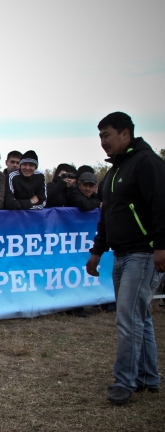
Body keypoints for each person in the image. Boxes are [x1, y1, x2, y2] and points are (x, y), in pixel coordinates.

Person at [86, 111, 165, 405]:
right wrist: (97, 251)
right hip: (121, 255)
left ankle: (124, 383)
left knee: (128, 319)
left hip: (143, 254)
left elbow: (161, 205)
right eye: (100, 137)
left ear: (125, 133)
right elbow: (107, 214)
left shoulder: (147, 163)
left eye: (106, 135)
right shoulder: (114, 171)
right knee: (139, 317)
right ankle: (148, 377)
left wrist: (161, 245)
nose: (103, 142)